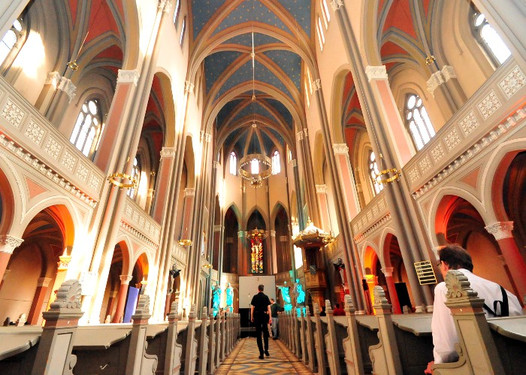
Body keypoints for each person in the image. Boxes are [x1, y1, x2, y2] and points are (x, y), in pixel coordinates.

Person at [425, 244, 522, 374]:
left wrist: (438, 366)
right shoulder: (501, 290)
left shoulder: (446, 288)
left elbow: (446, 340)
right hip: (514, 361)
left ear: (444, 264)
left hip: (478, 364)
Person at [250, 284, 272, 359]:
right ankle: (266, 350)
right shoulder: (266, 297)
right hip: (264, 316)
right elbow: (269, 308)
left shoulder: (255, 297)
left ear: (258, 289)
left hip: (257, 316)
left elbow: (252, 308)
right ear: (263, 289)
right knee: (265, 333)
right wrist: (270, 318)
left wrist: (252, 317)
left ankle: (261, 353)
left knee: (258, 334)